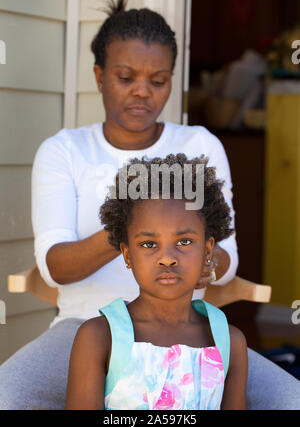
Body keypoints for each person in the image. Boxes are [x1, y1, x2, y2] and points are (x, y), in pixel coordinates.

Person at [0, 0, 299, 410]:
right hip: (84, 326)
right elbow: (54, 268)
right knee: (5, 394)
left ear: (170, 82)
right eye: (126, 78)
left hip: (188, 325)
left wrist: (189, 253)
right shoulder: (64, 151)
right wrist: (133, 225)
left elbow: (226, 259)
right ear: (100, 76)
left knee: (290, 399)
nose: (143, 92)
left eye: (157, 81)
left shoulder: (199, 145)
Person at [66, 154, 248, 410]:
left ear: (208, 250)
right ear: (128, 254)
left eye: (184, 242)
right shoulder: (99, 337)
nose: (167, 259)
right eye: (149, 244)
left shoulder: (228, 341)